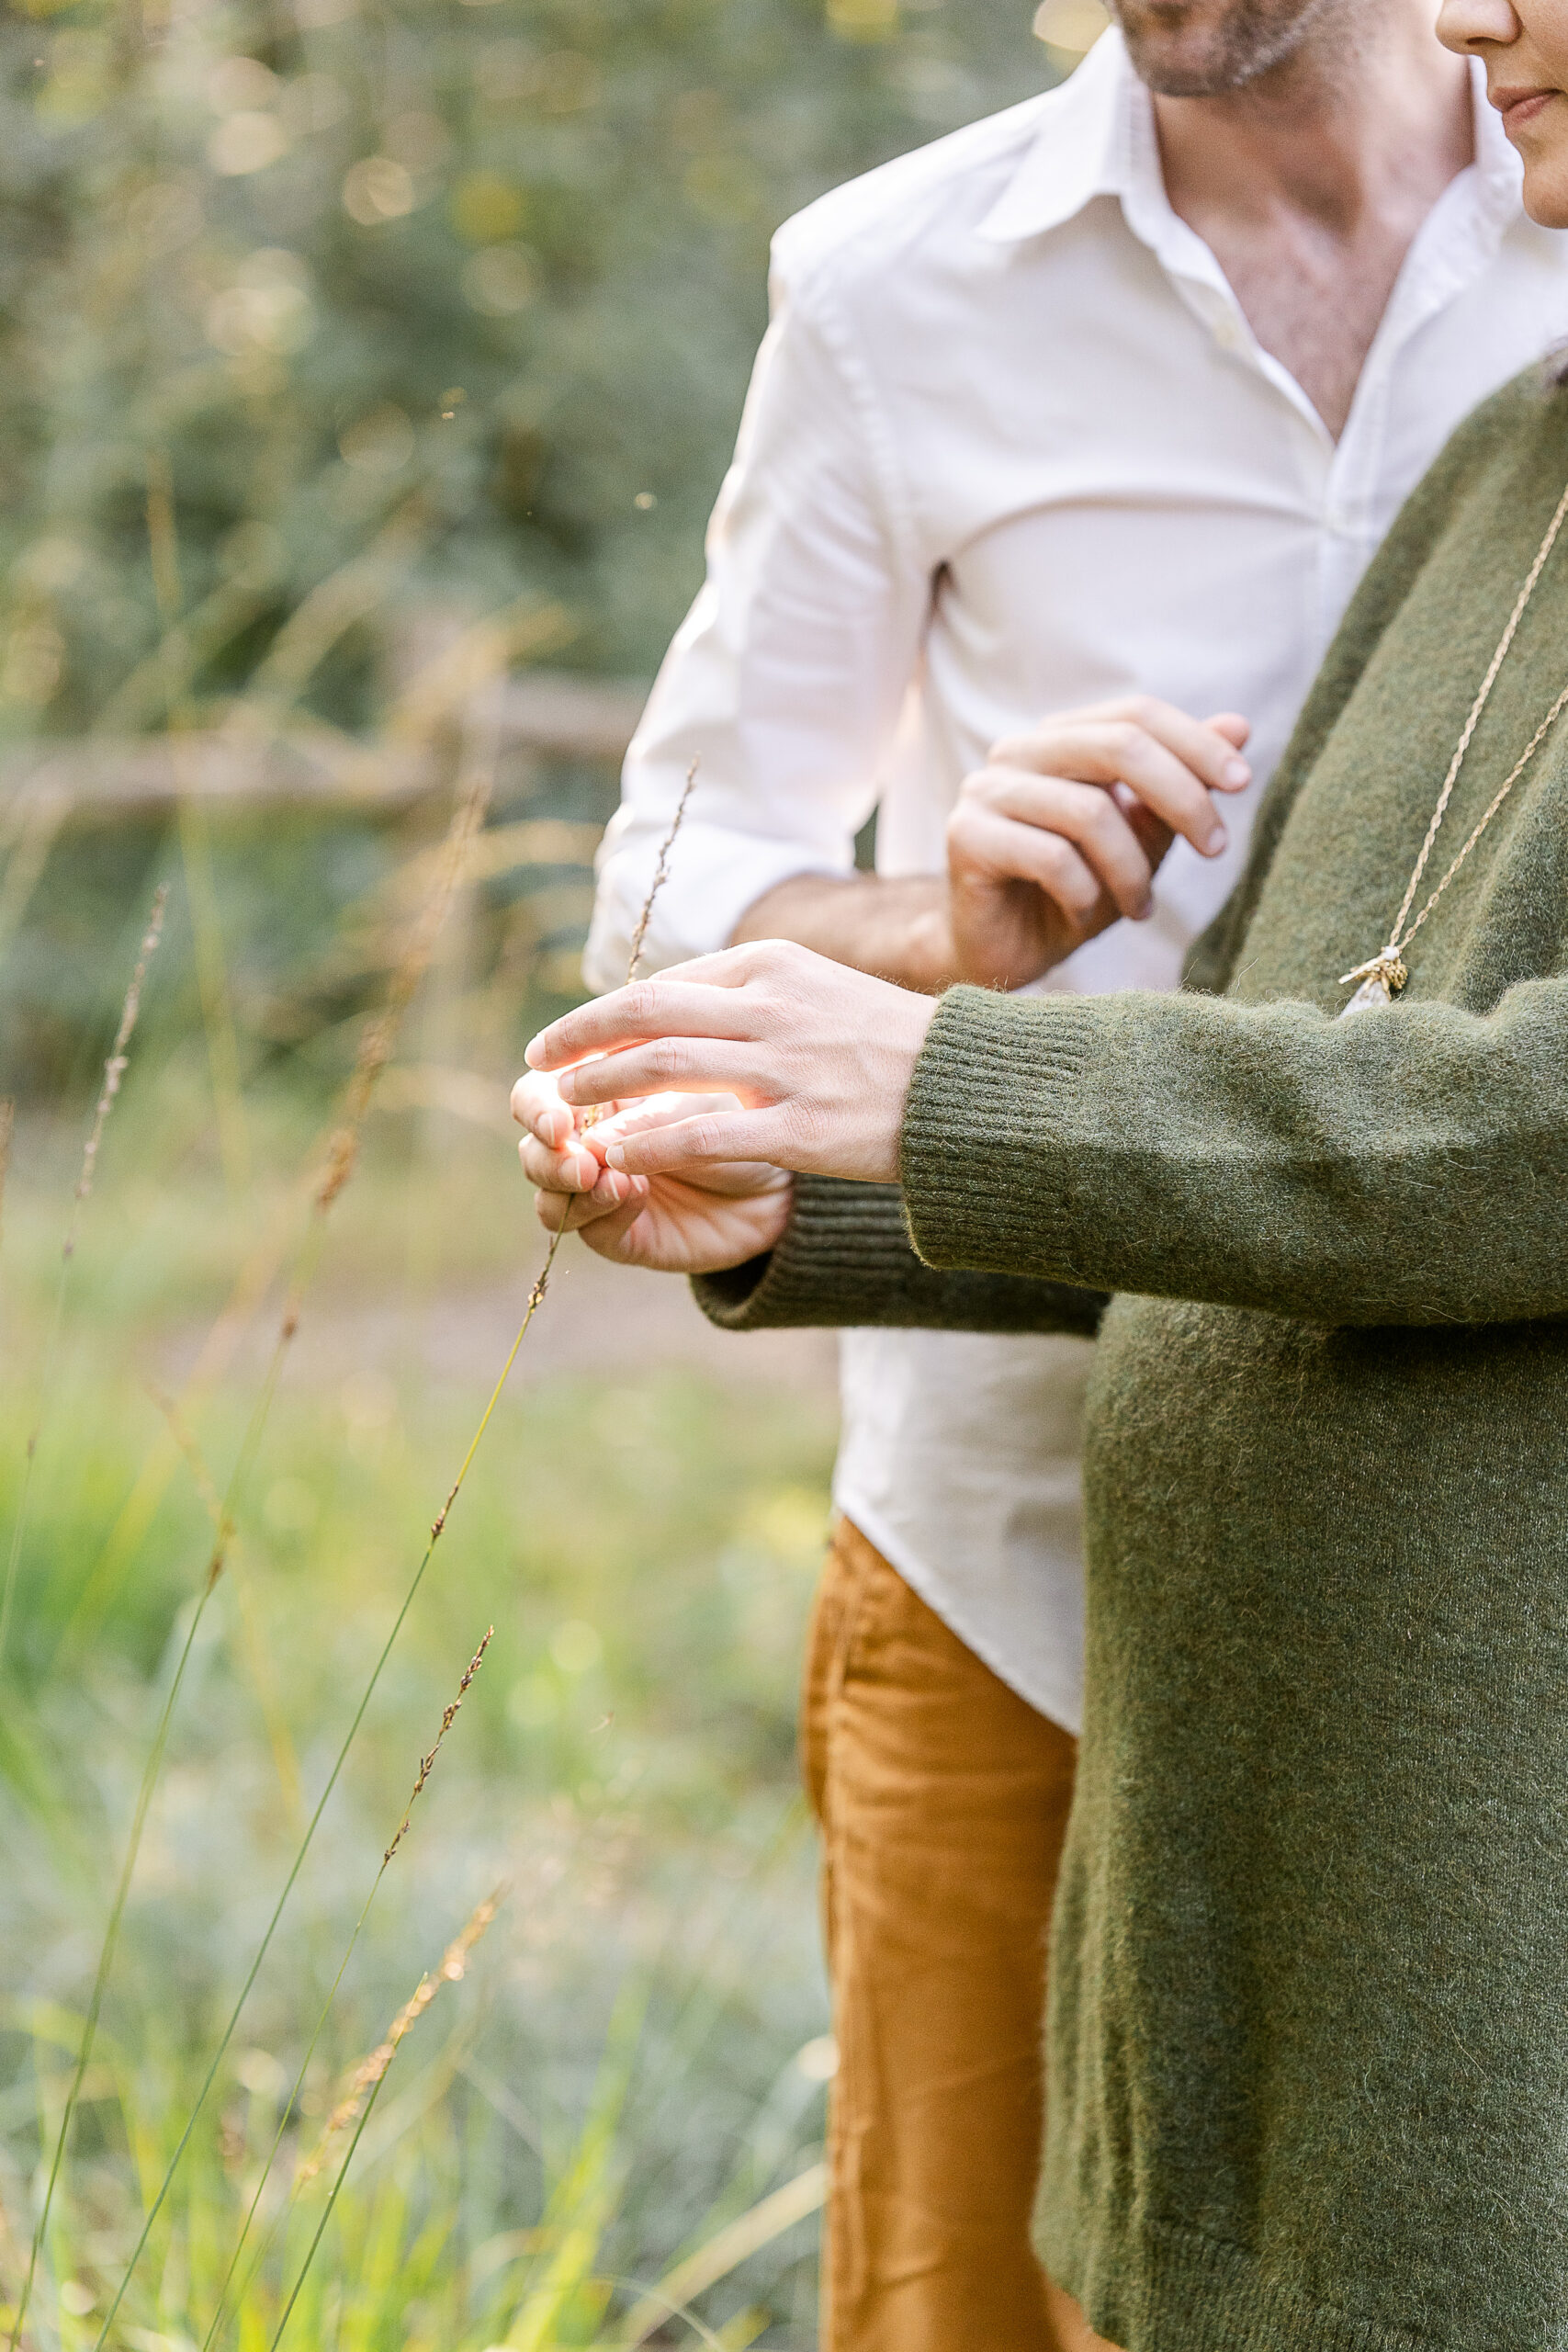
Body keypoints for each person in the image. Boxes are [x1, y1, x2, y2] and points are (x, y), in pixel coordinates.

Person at [521, 3, 1568, 2343]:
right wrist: (927, 990)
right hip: (1006, 1538)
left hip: (1487, 1636)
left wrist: (928, 1099)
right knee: (976, 2297)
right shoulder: (898, 288)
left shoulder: (1547, 227)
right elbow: (679, 908)